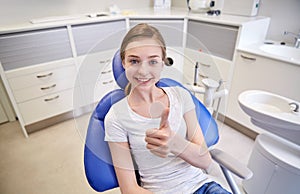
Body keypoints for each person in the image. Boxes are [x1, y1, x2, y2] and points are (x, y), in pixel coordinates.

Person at [104, 23, 231, 194]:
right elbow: (129, 189)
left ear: (162, 63)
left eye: (153, 61)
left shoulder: (181, 96)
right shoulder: (116, 117)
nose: (143, 71)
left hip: (203, 187)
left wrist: (175, 143)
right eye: (134, 61)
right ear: (123, 63)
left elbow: (205, 161)